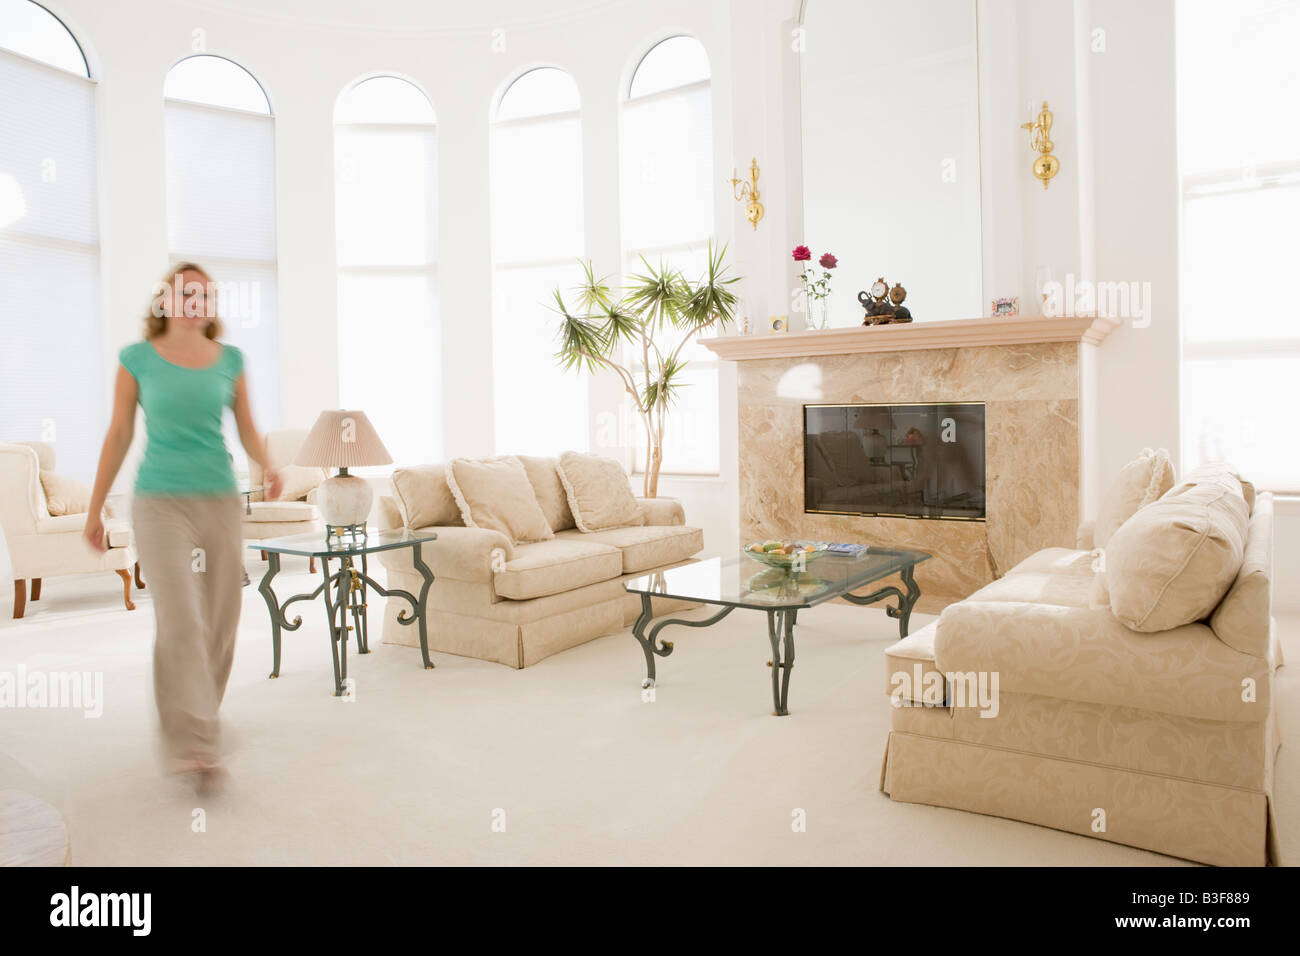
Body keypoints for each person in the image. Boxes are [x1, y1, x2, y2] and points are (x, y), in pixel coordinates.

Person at [84, 263, 281, 792]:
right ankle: (193, 742)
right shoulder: (136, 359)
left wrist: (269, 464)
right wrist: (95, 507)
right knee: (180, 620)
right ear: (166, 300)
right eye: (187, 291)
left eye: (206, 294)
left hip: (218, 498)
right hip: (158, 502)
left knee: (221, 620)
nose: (197, 300)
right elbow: (120, 432)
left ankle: (199, 724)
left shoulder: (231, 361)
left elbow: (247, 429)